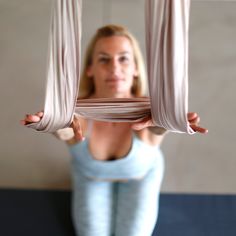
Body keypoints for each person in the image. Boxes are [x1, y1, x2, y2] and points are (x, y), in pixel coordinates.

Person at [21, 25, 208, 236]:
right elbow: (66, 130)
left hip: (141, 175)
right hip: (91, 175)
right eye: (103, 59)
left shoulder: (152, 111)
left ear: (136, 67)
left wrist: (169, 121)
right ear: (90, 68)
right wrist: (54, 124)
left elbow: (157, 128)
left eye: (124, 58)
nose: (114, 68)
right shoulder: (75, 111)